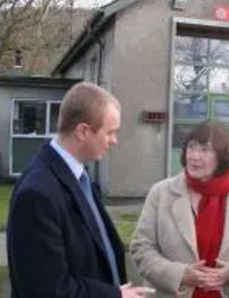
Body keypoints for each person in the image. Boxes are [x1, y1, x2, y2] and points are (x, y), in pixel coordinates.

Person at [7, 82, 154, 298]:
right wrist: (114, 295)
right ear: (83, 131)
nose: (115, 140)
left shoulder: (77, 176)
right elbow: (46, 290)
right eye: (110, 132)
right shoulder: (37, 194)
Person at [130, 119, 229, 298]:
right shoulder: (161, 193)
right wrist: (179, 275)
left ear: (222, 155)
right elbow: (141, 248)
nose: (194, 156)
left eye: (204, 149)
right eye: (191, 147)